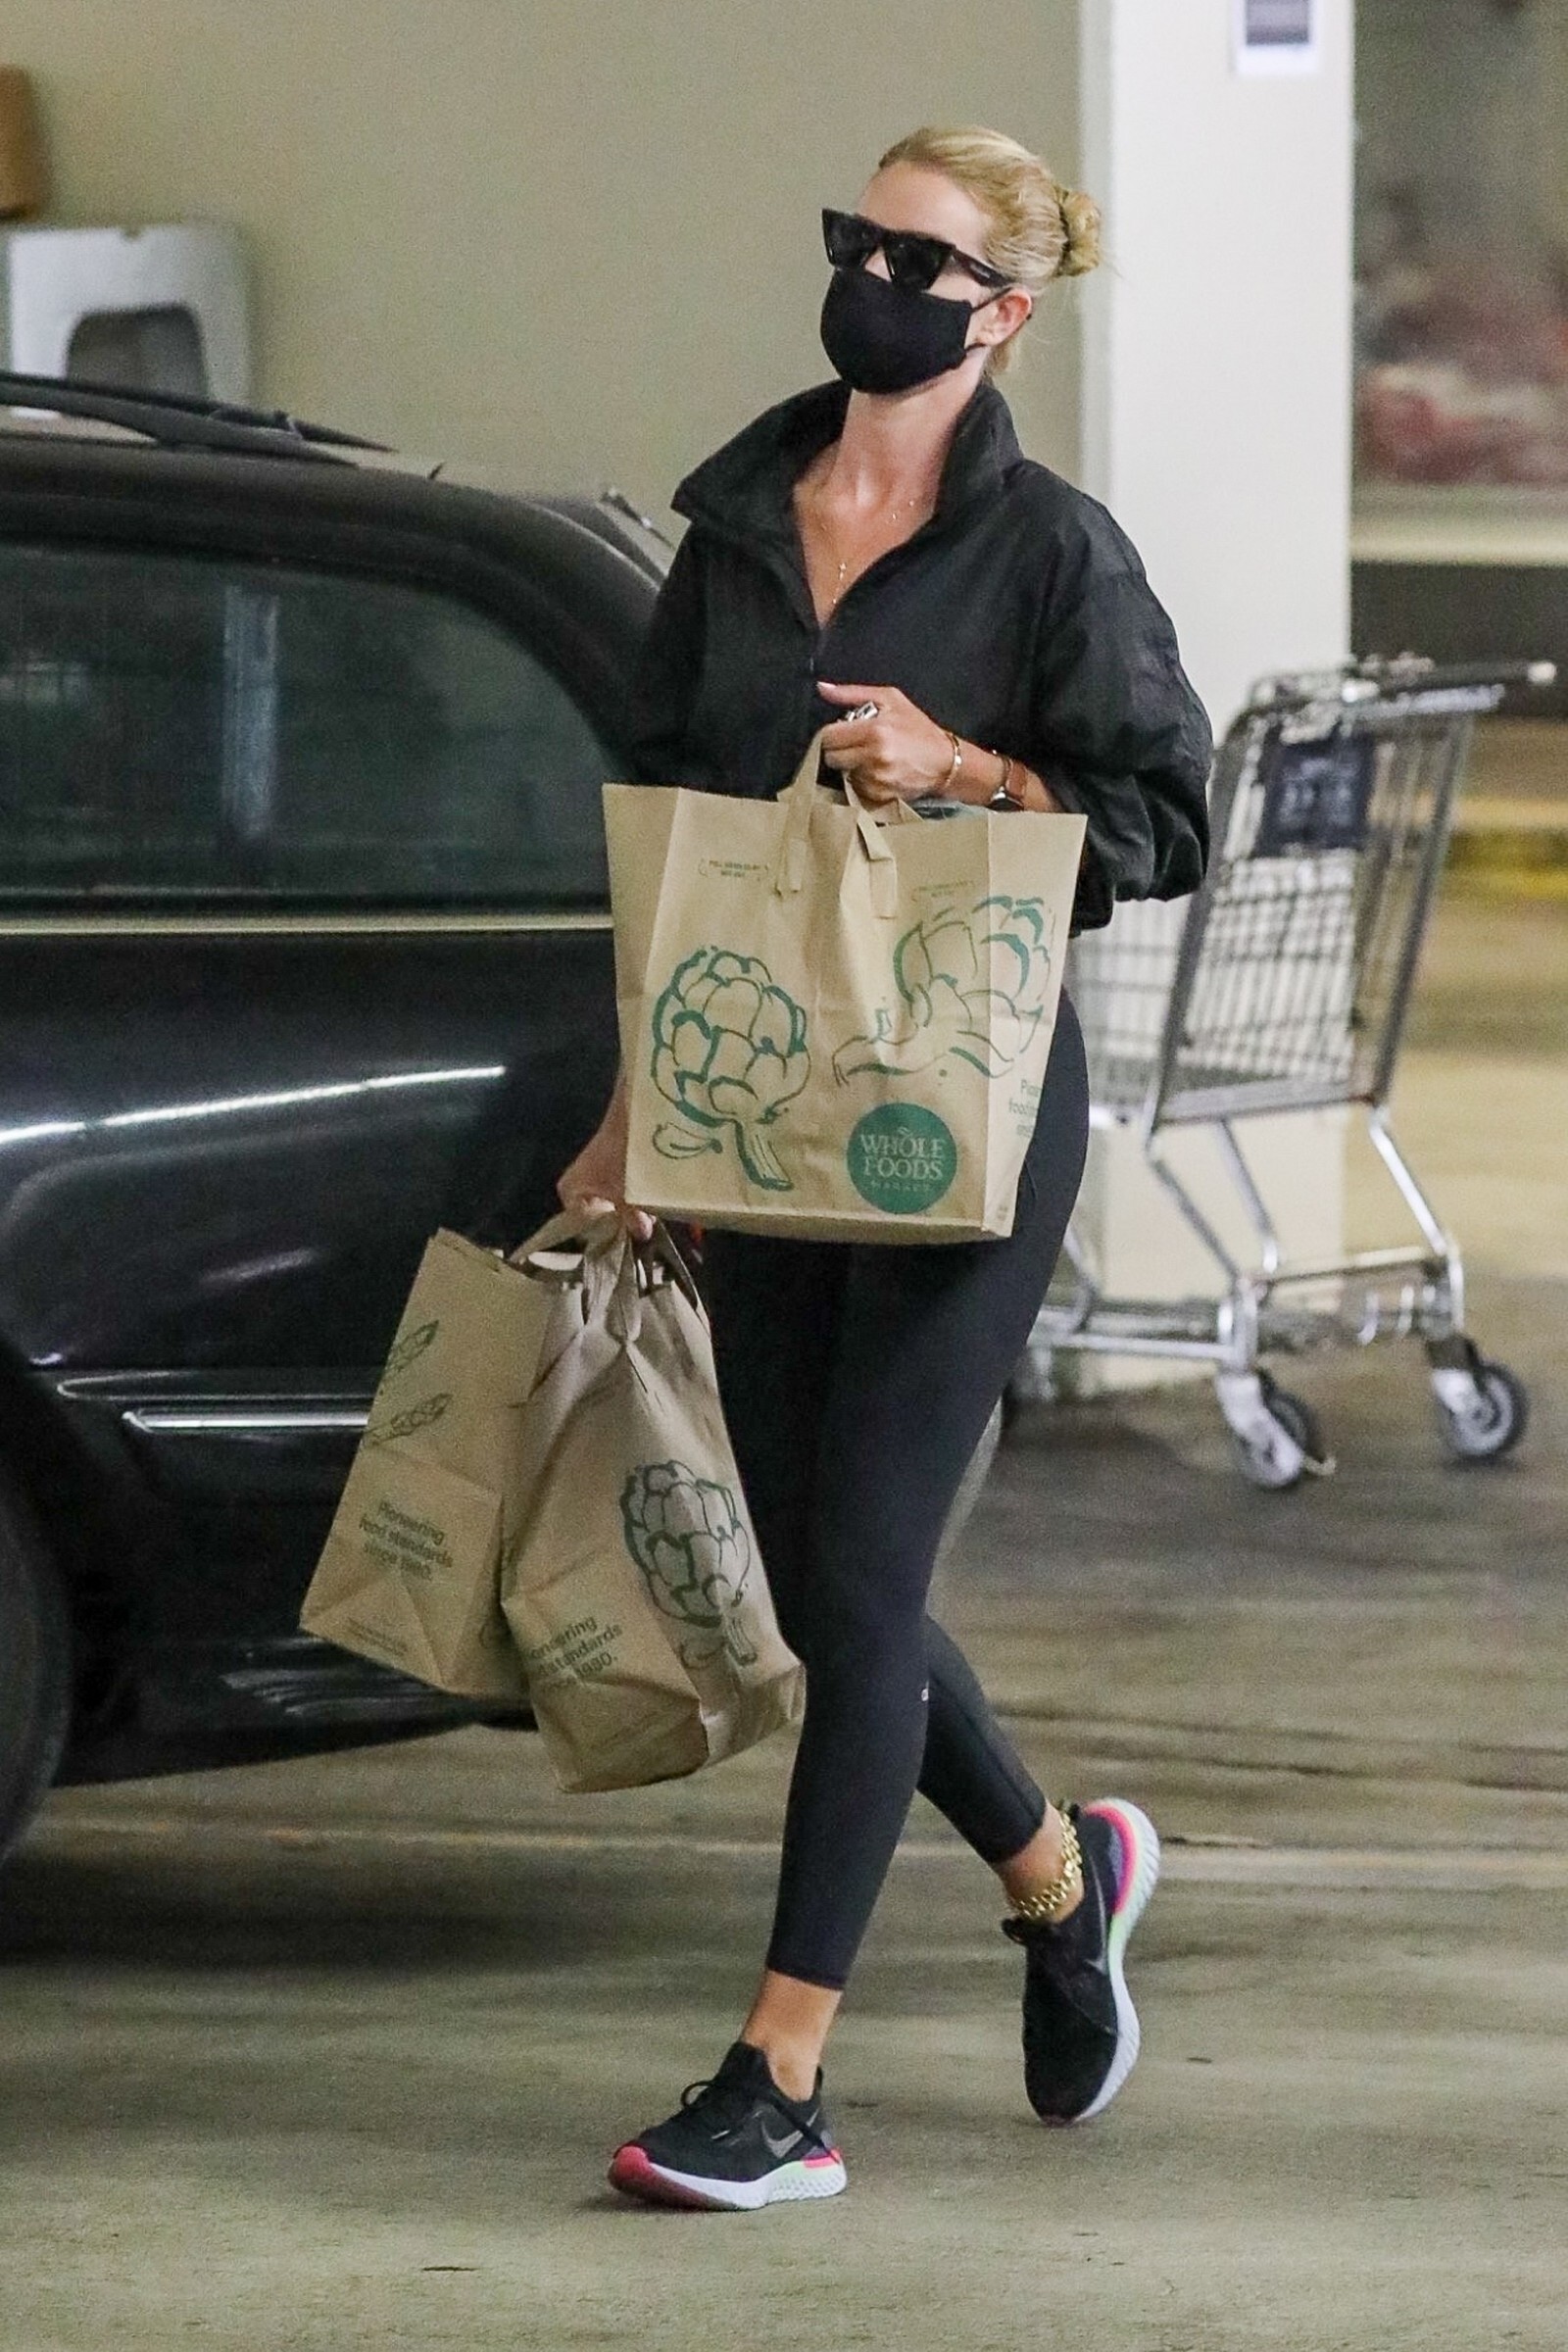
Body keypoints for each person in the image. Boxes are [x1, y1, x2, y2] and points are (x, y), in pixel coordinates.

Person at [557, 123, 1213, 2212]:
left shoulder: (1052, 554)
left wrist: (971, 769)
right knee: (812, 1576)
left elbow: (1166, 817)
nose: (869, 277)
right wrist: (636, 1109)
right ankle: (1056, 1873)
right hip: (758, 1101)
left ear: (999, 312)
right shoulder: (737, 523)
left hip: (966, 1113)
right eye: (859, 238)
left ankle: (781, 2079)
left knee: (856, 1584)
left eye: (917, 259)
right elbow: (666, 824)